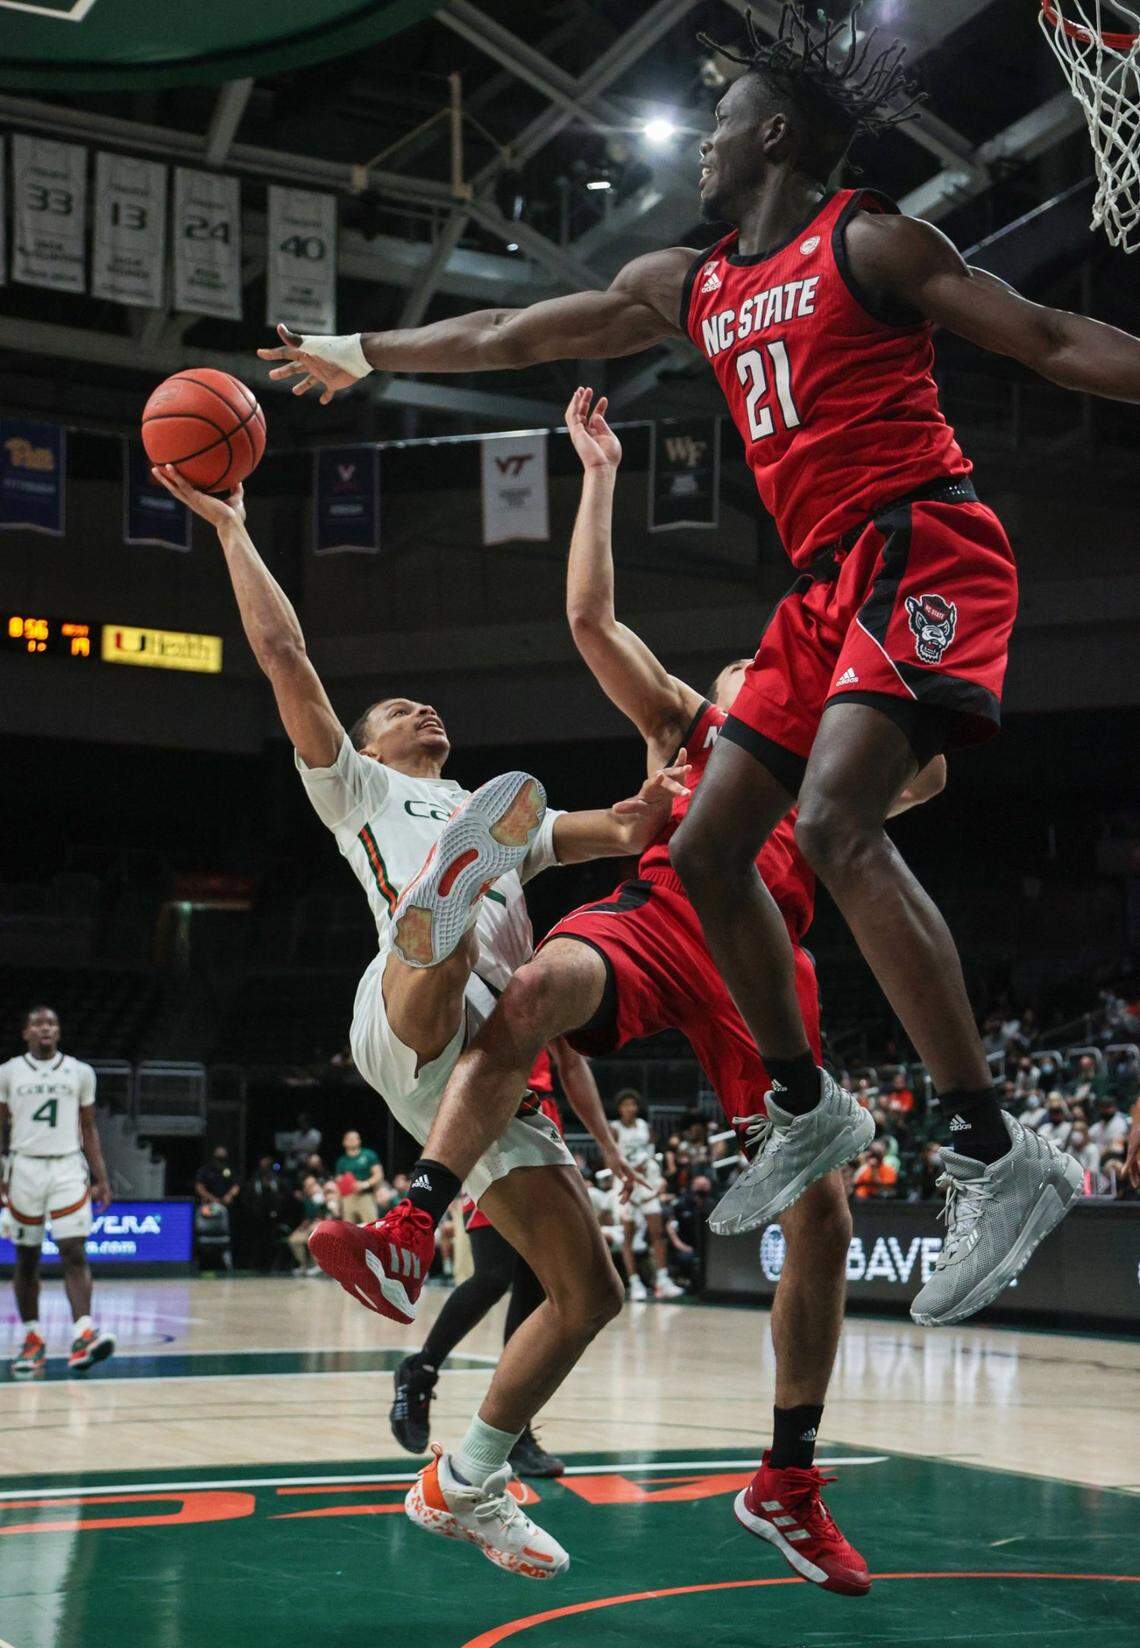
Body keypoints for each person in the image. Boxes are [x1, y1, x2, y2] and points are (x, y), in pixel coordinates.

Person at [256, 1, 1140, 1326]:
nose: (701, 151)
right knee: (715, 844)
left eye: (719, 125)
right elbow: (515, 338)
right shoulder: (696, 280)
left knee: (837, 827)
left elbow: (1056, 344)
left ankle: (994, 1154)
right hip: (819, 588)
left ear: (773, 134)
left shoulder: (875, 241)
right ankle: (804, 1106)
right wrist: (364, 351)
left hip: (923, 544)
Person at [320, 387, 945, 1595]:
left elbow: (928, 770)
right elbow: (590, 614)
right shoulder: (692, 721)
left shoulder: (845, 762)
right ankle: (412, 1222)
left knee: (821, 1212)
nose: (761, 661)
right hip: (659, 919)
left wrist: (893, 639)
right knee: (540, 983)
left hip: (761, 962)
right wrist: (598, 474)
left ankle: (788, 1480)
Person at [154, 460, 683, 1582]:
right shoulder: (354, 788)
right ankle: (435, 909)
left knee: (592, 1290)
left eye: (427, 706)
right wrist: (236, 529)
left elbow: (640, 822)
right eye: (400, 709)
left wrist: (682, 740)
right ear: (370, 743)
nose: (422, 711)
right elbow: (285, 657)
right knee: (436, 934)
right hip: (405, 1010)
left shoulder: (513, 817)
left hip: (484, 1071)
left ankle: (467, 1477)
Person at [390, 1044, 634, 1478]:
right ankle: (420, 1371)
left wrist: (607, 1145)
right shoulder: (475, 983)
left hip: (541, 1122)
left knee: (540, 1290)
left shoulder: (548, 980)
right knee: (494, 1272)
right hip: (490, 1117)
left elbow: (573, 1064)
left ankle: (513, 1430)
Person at [0, 1007, 115, 1377]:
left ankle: (83, 1333)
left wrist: (102, 1178)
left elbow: (89, 1127)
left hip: (66, 1165)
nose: (45, 1028)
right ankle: (32, 1338)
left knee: (73, 1249)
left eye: (51, 1023)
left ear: (58, 1032)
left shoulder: (80, 1072)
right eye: (37, 1023)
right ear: (26, 1033)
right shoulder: (8, 1072)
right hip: (24, 1166)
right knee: (27, 1256)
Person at [610, 1091, 682, 1301]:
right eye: (626, 1105)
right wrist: (628, 1172)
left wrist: (654, 1172)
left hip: (647, 1181)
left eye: (633, 1104)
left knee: (657, 1231)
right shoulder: (614, 1129)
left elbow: (651, 1151)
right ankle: (634, 1282)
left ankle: (662, 1279)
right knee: (628, 1235)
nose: (630, 1108)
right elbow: (610, 1159)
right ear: (619, 1108)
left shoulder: (644, 1126)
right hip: (625, 1182)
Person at [334, 1129, 384, 1225]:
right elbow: (338, 1182)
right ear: (344, 1142)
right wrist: (337, 1202)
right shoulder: (341, 1161)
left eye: (356, 1138)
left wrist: (365, 1184)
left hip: (365, 1195)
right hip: (348, 1198)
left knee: (372, 1227)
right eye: (350, 1138)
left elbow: (379, 1174)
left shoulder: (369, 1155)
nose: (353, 1140)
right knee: (348, 1230)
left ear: (360, 1140)